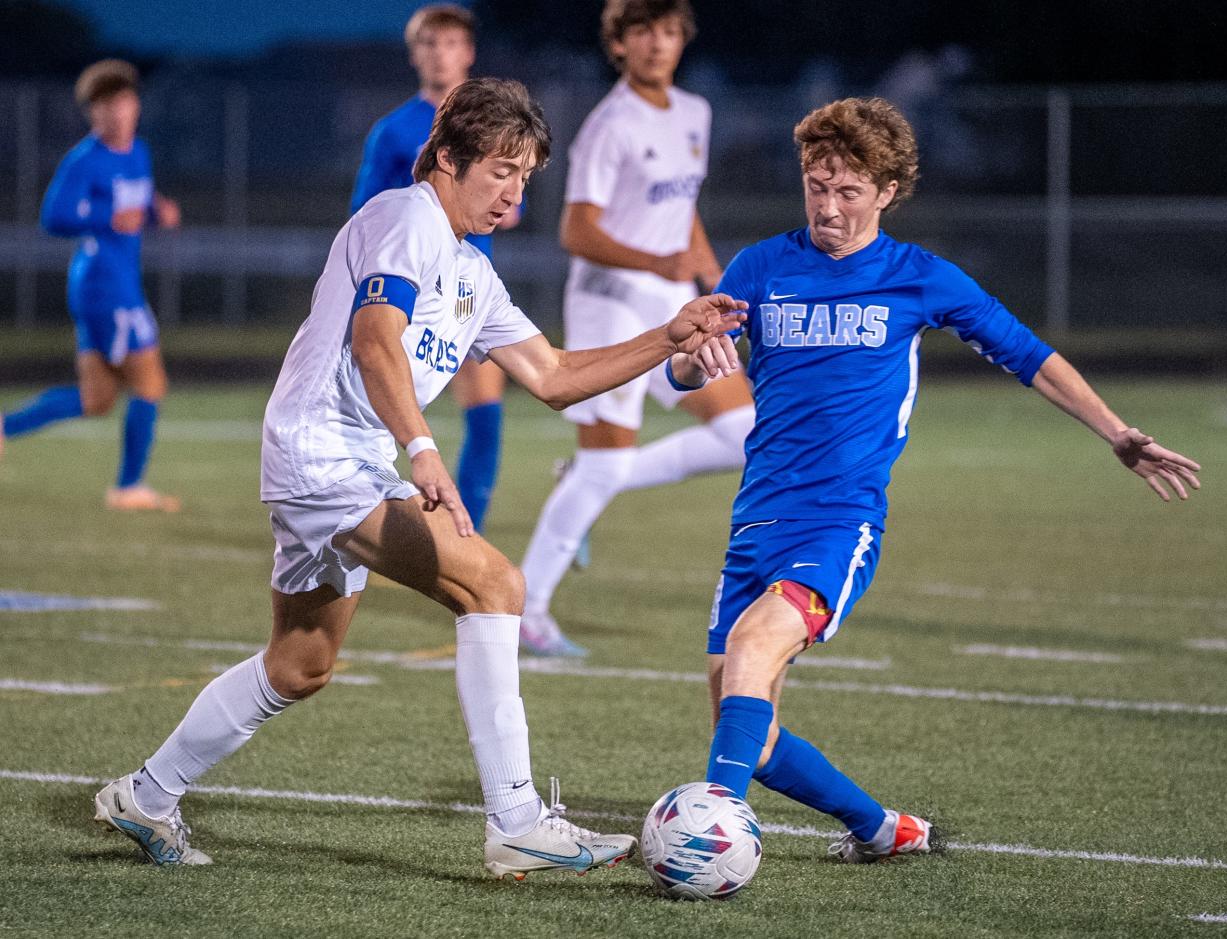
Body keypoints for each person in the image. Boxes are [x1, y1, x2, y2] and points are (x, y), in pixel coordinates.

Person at [92, 78, 746, 875]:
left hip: (342, 456)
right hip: (325, 450)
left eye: (527, 175)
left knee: (300, 663)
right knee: (496, 585)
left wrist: (666, 336)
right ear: (446, 158)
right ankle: (517, 820)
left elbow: (556, 373)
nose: (514, 191)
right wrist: (424, 447)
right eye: (501, 169)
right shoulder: (409, 219)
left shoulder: (472, 268)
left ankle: (147, 793)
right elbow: (375, 341)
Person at [667, 96, 1202, 863]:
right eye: (818, 186)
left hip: (838, 522)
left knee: (753, 650)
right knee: (747, 730)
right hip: (754, 523)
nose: (830, 206)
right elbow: (689, 365)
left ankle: (710, 835)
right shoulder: (759, 266)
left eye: (850, 191)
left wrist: (1117, 431)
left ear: (888, 192)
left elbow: (1028, 354)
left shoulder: (918, 278)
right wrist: (693, 349)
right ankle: (882, 829)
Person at [519, 0, 755, 657]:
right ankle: (528, 609)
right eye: (642, 31)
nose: (658, 43)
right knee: (608, 459)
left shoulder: (695, 113)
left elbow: (683, 211)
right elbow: (576, 229)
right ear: (618, 45)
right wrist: (658, 260)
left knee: (747, 435)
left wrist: (712, 277)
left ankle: (590, 473)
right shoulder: (609, 125)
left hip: (676, 304)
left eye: (670, 31)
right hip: (610, 309)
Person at [351, 4, 516, 534]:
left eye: (449, 44)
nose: (439, 54)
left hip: (470, 294)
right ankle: (357, 509)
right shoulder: (393, 132)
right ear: (414, 54)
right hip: (412, 290)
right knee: (384, 409)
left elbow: (511, 205)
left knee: (486, 413)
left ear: (467, 53)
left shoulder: (493, 126)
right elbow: (365, 214)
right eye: (428, 44)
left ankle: (468, 533)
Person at [0, 60, 181, 510]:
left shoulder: (139, 151)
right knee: (151, 385)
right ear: (92, 115)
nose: (115, 113)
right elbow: (53, 217)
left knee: (96, 398)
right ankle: (128, 486)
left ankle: (4, 427)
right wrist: (106, 219)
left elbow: (138, 201)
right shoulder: (85, 160)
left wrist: (158, 210)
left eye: (121, 102)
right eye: (104, 107)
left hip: (116, 284)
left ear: (135, 105)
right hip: (105, 287)